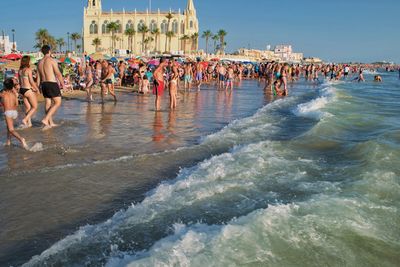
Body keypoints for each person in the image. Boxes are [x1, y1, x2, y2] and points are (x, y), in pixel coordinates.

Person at [36, 45, 64, 130]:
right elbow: (58, 73)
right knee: (58, 102)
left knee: (48, 102)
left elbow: (38, 77)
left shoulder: (39, 62)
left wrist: (37, 87)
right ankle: (45, 119)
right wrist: (63, 84)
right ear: (49, 51)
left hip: (43, 84)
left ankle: (50, 123)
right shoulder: (52, 60)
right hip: (51, 83)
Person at [1, 78, 28, 149]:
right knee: (8, 127)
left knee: (11, 130)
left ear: (4, 86)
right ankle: (8, 141)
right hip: (14, 112)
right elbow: (16, 104)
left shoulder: (3, 94)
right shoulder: (14, 95)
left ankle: (21, 139)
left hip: (8, 113)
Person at [18, 55, 39, 128]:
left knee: (28, 108)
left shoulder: (20, 70)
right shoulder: (28, 70)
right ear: (27, 61)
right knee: (35, 107)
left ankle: (29, 123)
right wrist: (36, 89)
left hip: (22, 90)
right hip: (27, 90)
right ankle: (25, 119)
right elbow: (31, 81)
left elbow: (20, 82)